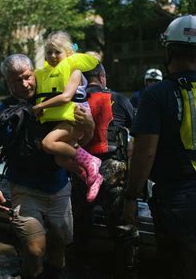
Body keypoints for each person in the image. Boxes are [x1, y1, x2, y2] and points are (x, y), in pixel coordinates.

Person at [123, 14, 196, 279]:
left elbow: (144, 152)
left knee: (178, 269)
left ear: (169, 50)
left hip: (181, 201)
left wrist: (130, 197)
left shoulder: (156, 94)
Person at [0, 54, 93, 278]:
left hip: (59, 188)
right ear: (7, 83)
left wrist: (88, 125)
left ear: (34, 73)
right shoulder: (1, 114)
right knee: (34, 249)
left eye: (27, 77)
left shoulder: (56, 100)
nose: (24, 84)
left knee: (59, 246)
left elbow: (83, 144)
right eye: (16, 81)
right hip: (24, 190)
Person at [69, 62, 135, 274]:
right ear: (102, 76)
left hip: (81, 168)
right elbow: (137, 132)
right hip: (114, 168)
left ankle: (79, 268)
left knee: (80, 224)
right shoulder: (120, 99)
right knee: (122, 227)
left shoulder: (74, 100)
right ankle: (125, 270)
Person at [32, 31, 103, 202]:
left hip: (74, 117)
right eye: (49, 52)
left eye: (58, 52)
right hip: (62, 119)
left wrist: (40, 106)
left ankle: (91, 161)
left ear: (68, 53)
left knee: (48, 143)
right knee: (60, 160)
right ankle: (91, 179)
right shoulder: (46, 73)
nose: (53, 56)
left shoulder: (74, 71)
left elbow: (66, 97)